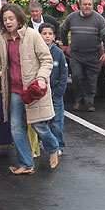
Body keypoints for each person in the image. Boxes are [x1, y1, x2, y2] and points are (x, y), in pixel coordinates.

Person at [0, 4, 59, 175]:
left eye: (11, 18)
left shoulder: (32, 35)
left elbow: (46, 60)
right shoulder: (3, 38)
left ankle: (53, 147)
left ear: (19, 18)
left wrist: (42, 79)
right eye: (5, 19)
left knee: (38, 125)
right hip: (14, 90)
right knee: (16, 127)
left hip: (34, 89)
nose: (8, 22)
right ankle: (26, 163)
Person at [59, 0, 105, 112]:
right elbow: (63, 29)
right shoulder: (72, 17)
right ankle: (77, 100)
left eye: (89, 4)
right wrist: (65, 43)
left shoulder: (99, 19)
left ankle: (89, 103)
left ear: (93, 5)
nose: (87, 7)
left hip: (94, 56)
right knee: (77, 77)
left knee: (91, 80)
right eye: (85, 4)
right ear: (80, 5)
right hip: (77, 55)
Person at [39, 23, 68, 155]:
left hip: (55, 92)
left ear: (54, 36)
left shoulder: (58, 53)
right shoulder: (37, 51)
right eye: (44, 34)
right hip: (41, 92)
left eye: (50, 34)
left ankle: (59, 146)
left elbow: (63, 72)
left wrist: (60, 90)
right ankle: (45, 143)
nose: (47, 36)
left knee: (57, 121)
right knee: (42, 121)